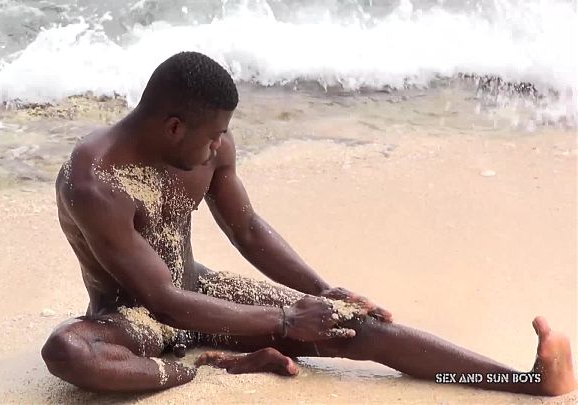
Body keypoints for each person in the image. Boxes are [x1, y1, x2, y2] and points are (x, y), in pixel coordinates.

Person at [41, 51, 576, 396]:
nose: (220, 145)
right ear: (174, 128)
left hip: (200, 293)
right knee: (67, 352)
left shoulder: (209, 147)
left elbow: (247, 229)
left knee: (353, 326)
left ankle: (524, 382)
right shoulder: (94, 182)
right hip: (134, 321)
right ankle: (199, 365)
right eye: (213, 136)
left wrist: (321, 292)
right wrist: (285, 319)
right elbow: (162, 301)